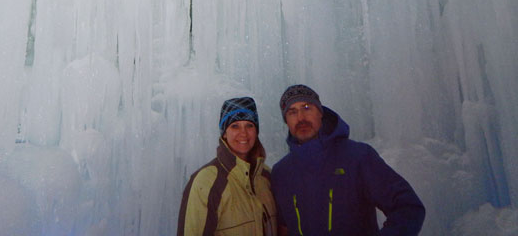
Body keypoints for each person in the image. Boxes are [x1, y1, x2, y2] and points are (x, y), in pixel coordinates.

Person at [272, 85, 425, 235]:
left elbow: (408, 207)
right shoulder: (281, 173)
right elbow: (283, 228)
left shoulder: (358, 157)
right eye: (292, 112)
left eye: (306, 107)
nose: (301, 118)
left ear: (320, 113)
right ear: (286, 121)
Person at [178, 96, 278, 235]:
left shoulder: (266, 176)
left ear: (256, 131)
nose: (243, 133)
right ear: (224, 133)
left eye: (249, 125)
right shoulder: (207, 182)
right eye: (235, 126)